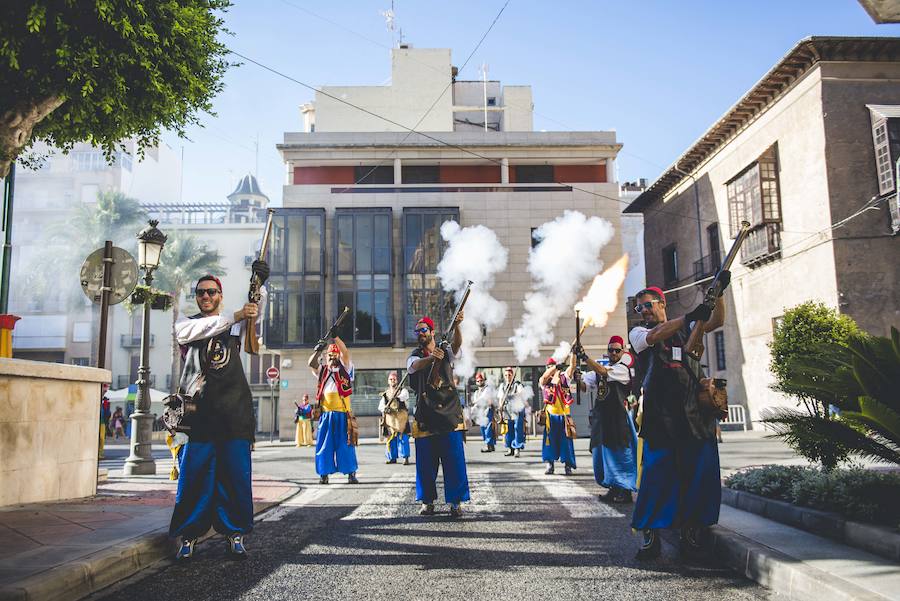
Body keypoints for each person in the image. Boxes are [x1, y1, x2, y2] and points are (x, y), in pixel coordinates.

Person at [169, 263, 269, 561]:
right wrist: (237, 314)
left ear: (220, 295)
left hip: (233, 412)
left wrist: (260, 284)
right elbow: (205, 328)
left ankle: (235, 534)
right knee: (194, 476)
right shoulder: (185, 324)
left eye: (211, 292)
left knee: (235, 476)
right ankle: (189, 536)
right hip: (198, 414)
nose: (206, 296)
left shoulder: (234, 324)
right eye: (201, 293)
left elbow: (255, 311)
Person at [628, 280, 729, 560]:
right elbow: (657, 333)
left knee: (699, 475)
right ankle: (651, 535)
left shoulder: (689, 329)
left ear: (662, 304)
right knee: (657, 478)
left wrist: (717, 295)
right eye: (639, 307)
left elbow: (716, 319)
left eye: (648, 305)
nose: (644, 311)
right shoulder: (637, 333)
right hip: (661, 417)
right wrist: (689, 316)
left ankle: (691, 530)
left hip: (694, 414)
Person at [407, 313, 468, 517]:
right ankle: (427, 501)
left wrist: (457, 326)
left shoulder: (445, 349)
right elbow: (414, 366)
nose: (420, 333)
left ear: (432, 332)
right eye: (417, 331)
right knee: (425, 464)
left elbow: (457, 347)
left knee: (454, 461)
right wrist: (432, 358)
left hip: (449, 414)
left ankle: (455, 502)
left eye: (423, 330)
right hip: (426, 415)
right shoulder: (415, 354)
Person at [580, 336, 638, 503]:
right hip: (603, 419)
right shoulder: (600, 370)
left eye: (617, 350)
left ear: (623, 352)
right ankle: (613, 488)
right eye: (610, 350)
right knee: (604, 455)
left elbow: (604, 373)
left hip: (618, 418)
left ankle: (625, 490)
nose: (613, 353)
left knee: (620, 454)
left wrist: (585, 357)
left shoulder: (622, 369)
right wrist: (578, 378)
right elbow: (585, 386)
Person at [308, 337, 359, 485]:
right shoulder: (322, 371)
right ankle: (323, 474)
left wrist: (336, 338)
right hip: (326, 415)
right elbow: (311, 363)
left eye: (335, 354)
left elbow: (346, 352)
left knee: (346, 445)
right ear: (326, 357)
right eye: (330, 355)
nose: (333, 357)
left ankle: (351, 473)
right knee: (324, 446)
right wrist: (318, 350)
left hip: (343, 415)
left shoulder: (346, 368)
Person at [538, 356, 577, 475]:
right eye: (549, 367)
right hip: (551, 417)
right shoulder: (544, 381)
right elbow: (544, 378)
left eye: (553, 366)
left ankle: (568, 465)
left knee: (566, 442)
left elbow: (572, 367)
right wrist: (555, 367)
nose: (551, 370)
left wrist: (573, 354)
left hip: (564, 416)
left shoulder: (564, 377)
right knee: (549, 442)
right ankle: (550, 464)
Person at [378, 371, 411, 465]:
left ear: (397, 381)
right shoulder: (385, 394)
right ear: (388, 381)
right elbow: (380, 406)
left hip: (401, 420)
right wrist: (385, 409)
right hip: (390, 420)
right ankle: (392, 457)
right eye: (391, 379)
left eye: (394, 379)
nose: (393, 381)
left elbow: (403, 397)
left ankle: (405, 457)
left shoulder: (403, 391)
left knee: (403, 438)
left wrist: (396, 396)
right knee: (390, 439)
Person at [498, 366, 527, 458]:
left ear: (512, 375)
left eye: (509, 375)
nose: (507, 377)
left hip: (517, 409)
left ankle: (517, 448)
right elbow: (500, 398)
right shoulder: (502, 386)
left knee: (517, 429)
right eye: (506, 375)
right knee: (508, 430)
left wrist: (511, 396)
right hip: (507, 409)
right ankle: (510, 448)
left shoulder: (517, 384)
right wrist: (500, 408)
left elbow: (521, 394)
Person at [472, 372, 497, 453]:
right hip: (481, 412)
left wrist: (476, 401)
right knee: (483, 429)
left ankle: (488, 445)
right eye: (478, 381)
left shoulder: (487, 389)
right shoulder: (476, 392)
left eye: (481, 380)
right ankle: (490, 445)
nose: (480, 382)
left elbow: (482, 399)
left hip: (488, 410)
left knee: (488, 428)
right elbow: (476, 403)